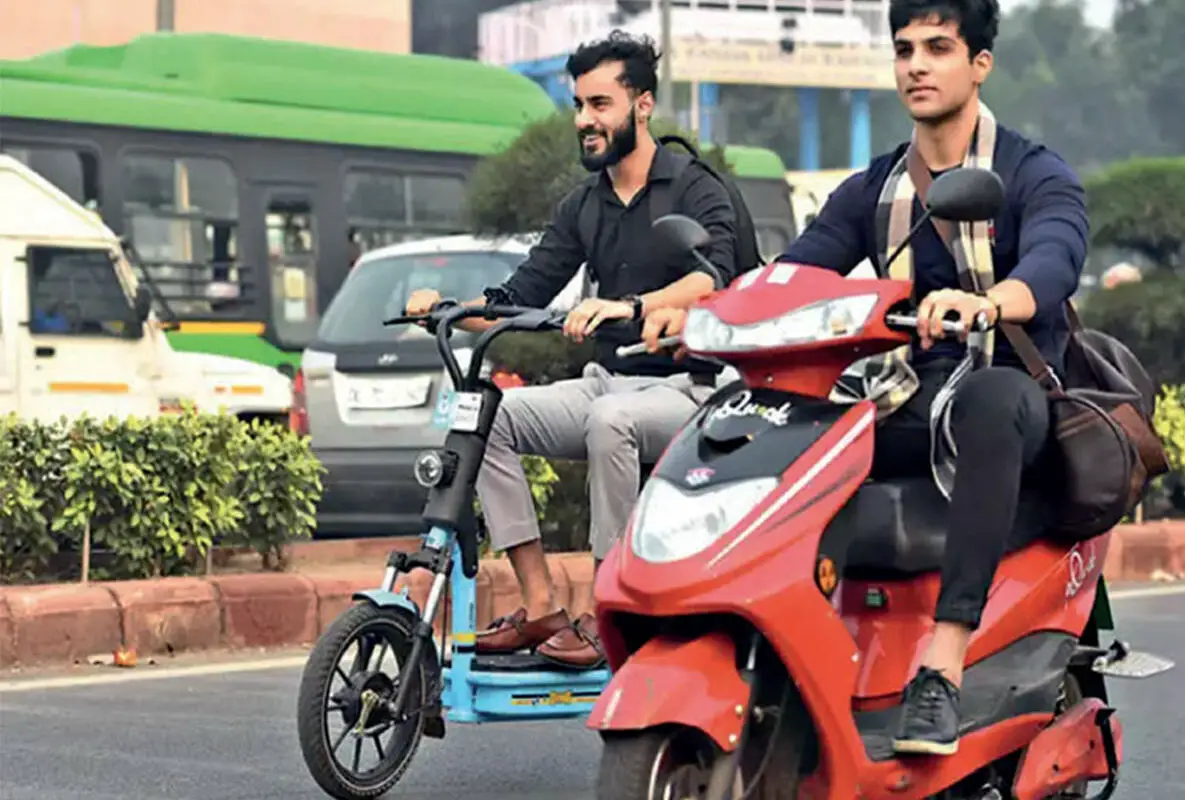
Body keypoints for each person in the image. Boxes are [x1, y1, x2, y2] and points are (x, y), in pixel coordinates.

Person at [639, 0, 1087, 757]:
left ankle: (940, 671)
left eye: (939, 48)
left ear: (980, 63)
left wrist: (988, 303)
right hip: (907, 395)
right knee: (789, 427)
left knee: (990, 399)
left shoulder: (1032, 172)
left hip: (1008, 395)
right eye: (905, 48)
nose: (916, 63)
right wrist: (708, 316)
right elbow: (794, 274)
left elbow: (1054, 257)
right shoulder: (874, 190)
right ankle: (785, 646)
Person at [404, 31, 740, 669]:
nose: (585, 119)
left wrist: (631, 306)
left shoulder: (694, 186)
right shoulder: (584, 205)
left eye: (600, 103)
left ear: (641, 105)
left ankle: (606, 611)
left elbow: (714, 278)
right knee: (485, 413)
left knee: (609, 421)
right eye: (579, 105)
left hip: (692, 392)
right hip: (605, 383)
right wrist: (446, 310)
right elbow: (517, 297)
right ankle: (541, 605)